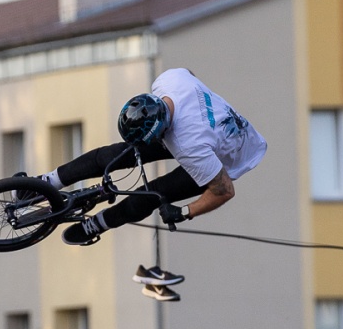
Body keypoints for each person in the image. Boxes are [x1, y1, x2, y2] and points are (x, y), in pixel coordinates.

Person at [32, 67, 267, 270]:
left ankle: (99, 223)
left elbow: (224, 190)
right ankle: (47, 182)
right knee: (114, 155)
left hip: (225, 157)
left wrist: (185, 212)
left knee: (154, 193)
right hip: (198, 132)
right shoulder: (169, 81)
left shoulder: (190, 147)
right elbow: (189, 74)